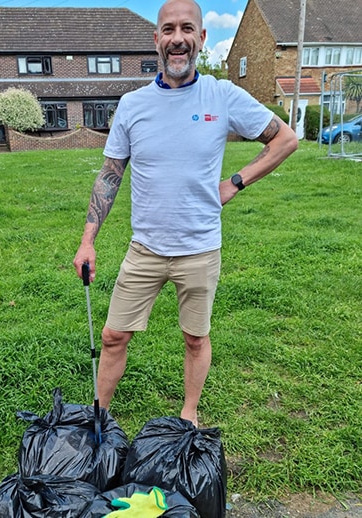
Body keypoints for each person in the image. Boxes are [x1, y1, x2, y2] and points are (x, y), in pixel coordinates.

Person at [73, 0, 298, 427]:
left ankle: (189, 414)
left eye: (188, 29)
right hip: (145, 249)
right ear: (156, 39)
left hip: (199, 248)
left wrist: (235, 182)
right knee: (113, 334)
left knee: (196, 339)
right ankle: (99, 415)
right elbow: (110, 175)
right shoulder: (133, 105)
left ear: (201, 39)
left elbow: (285, 139)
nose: (178, 39)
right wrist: (88, 241)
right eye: (169, 29)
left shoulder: (222, 94)